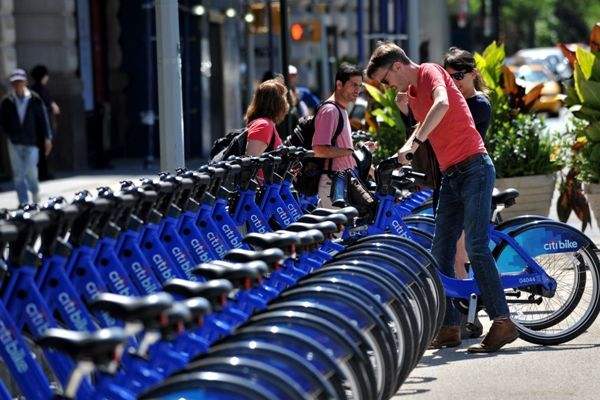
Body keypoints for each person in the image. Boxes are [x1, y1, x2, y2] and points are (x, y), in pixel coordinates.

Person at [366, 42, 517, 353]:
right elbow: (424, 124)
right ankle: (449, 326)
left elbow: (443, 103)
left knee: (475, 245)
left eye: (384, 79)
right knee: (440, 251)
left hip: (474, 166)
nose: (386, 86)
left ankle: (503, 322)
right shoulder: (413, 94)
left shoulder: (429, 72)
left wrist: (416, 142)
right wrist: (403, 149)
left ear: (396, 66)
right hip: (451, 175)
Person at [312, 62, 362, 208]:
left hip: (342, 182)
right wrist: (348, 152)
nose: (357, 90)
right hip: (332, 185)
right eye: (353, 85)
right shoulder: (330, 111)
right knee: (339, 231)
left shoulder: (342, 110)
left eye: (360, 86)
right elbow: (319, 150)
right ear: (339, 84)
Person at [0, 69, 53, 206]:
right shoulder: (7, 101)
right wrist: (9, 133)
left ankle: (35, 194)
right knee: (18, 173)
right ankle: (23, 203)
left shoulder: (34, 98)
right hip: (15, 141)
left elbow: (43, 118)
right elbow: (3, 120)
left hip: (31, 141)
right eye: (15, 82)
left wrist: (47, 137)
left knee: (31, 171)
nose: (17, 85)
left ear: (25, 82)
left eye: (20, 82)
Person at [244, 78, 288, 157]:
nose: (286, 103)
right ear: (278, 103)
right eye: (283, 98)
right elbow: (249, 163)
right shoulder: (264, 125)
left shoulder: (266, 123)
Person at [30, 64, 59, 181]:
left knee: (42, 150)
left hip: (37, 124)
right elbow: (49, 106)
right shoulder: (40, 89)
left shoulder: (34, 89)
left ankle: (43, 172)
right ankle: (43, 173)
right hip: (42, 124)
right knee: (44, 149)